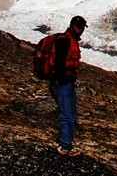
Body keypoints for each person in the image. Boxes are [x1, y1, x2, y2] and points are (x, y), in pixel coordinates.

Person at [50, 15, 87, 156]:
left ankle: (62, 141)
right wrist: (66, 76)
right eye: (79, 26)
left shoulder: (69, 40)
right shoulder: (64, 41)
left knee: (67, 112)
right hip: (62, 82)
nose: (81, 30)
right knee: (68, 113)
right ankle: (65, 146)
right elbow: (59, 63)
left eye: (82, 27)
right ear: (72, 26)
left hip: (63, 81)